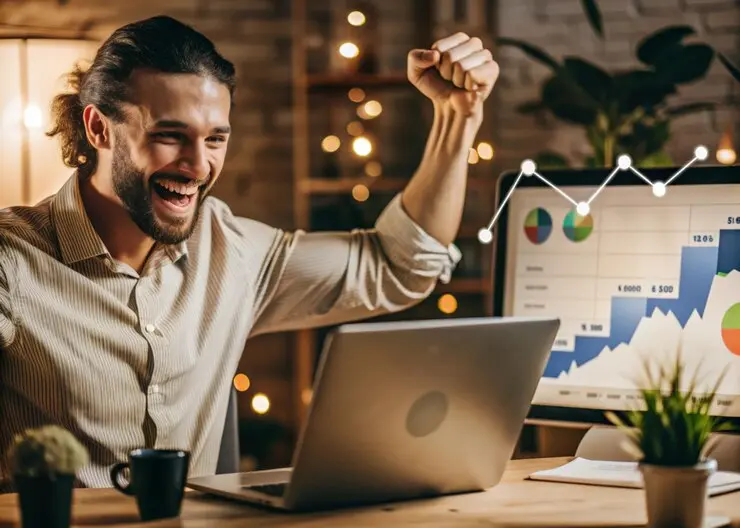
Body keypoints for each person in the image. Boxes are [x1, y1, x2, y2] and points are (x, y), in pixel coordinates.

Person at [0, 16, 498, 491]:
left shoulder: (228, 247)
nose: (198, 166)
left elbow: (398, 267)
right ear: (99, 129)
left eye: (215, 139)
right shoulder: (11, 260)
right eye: (170, 136)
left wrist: (458, 117)